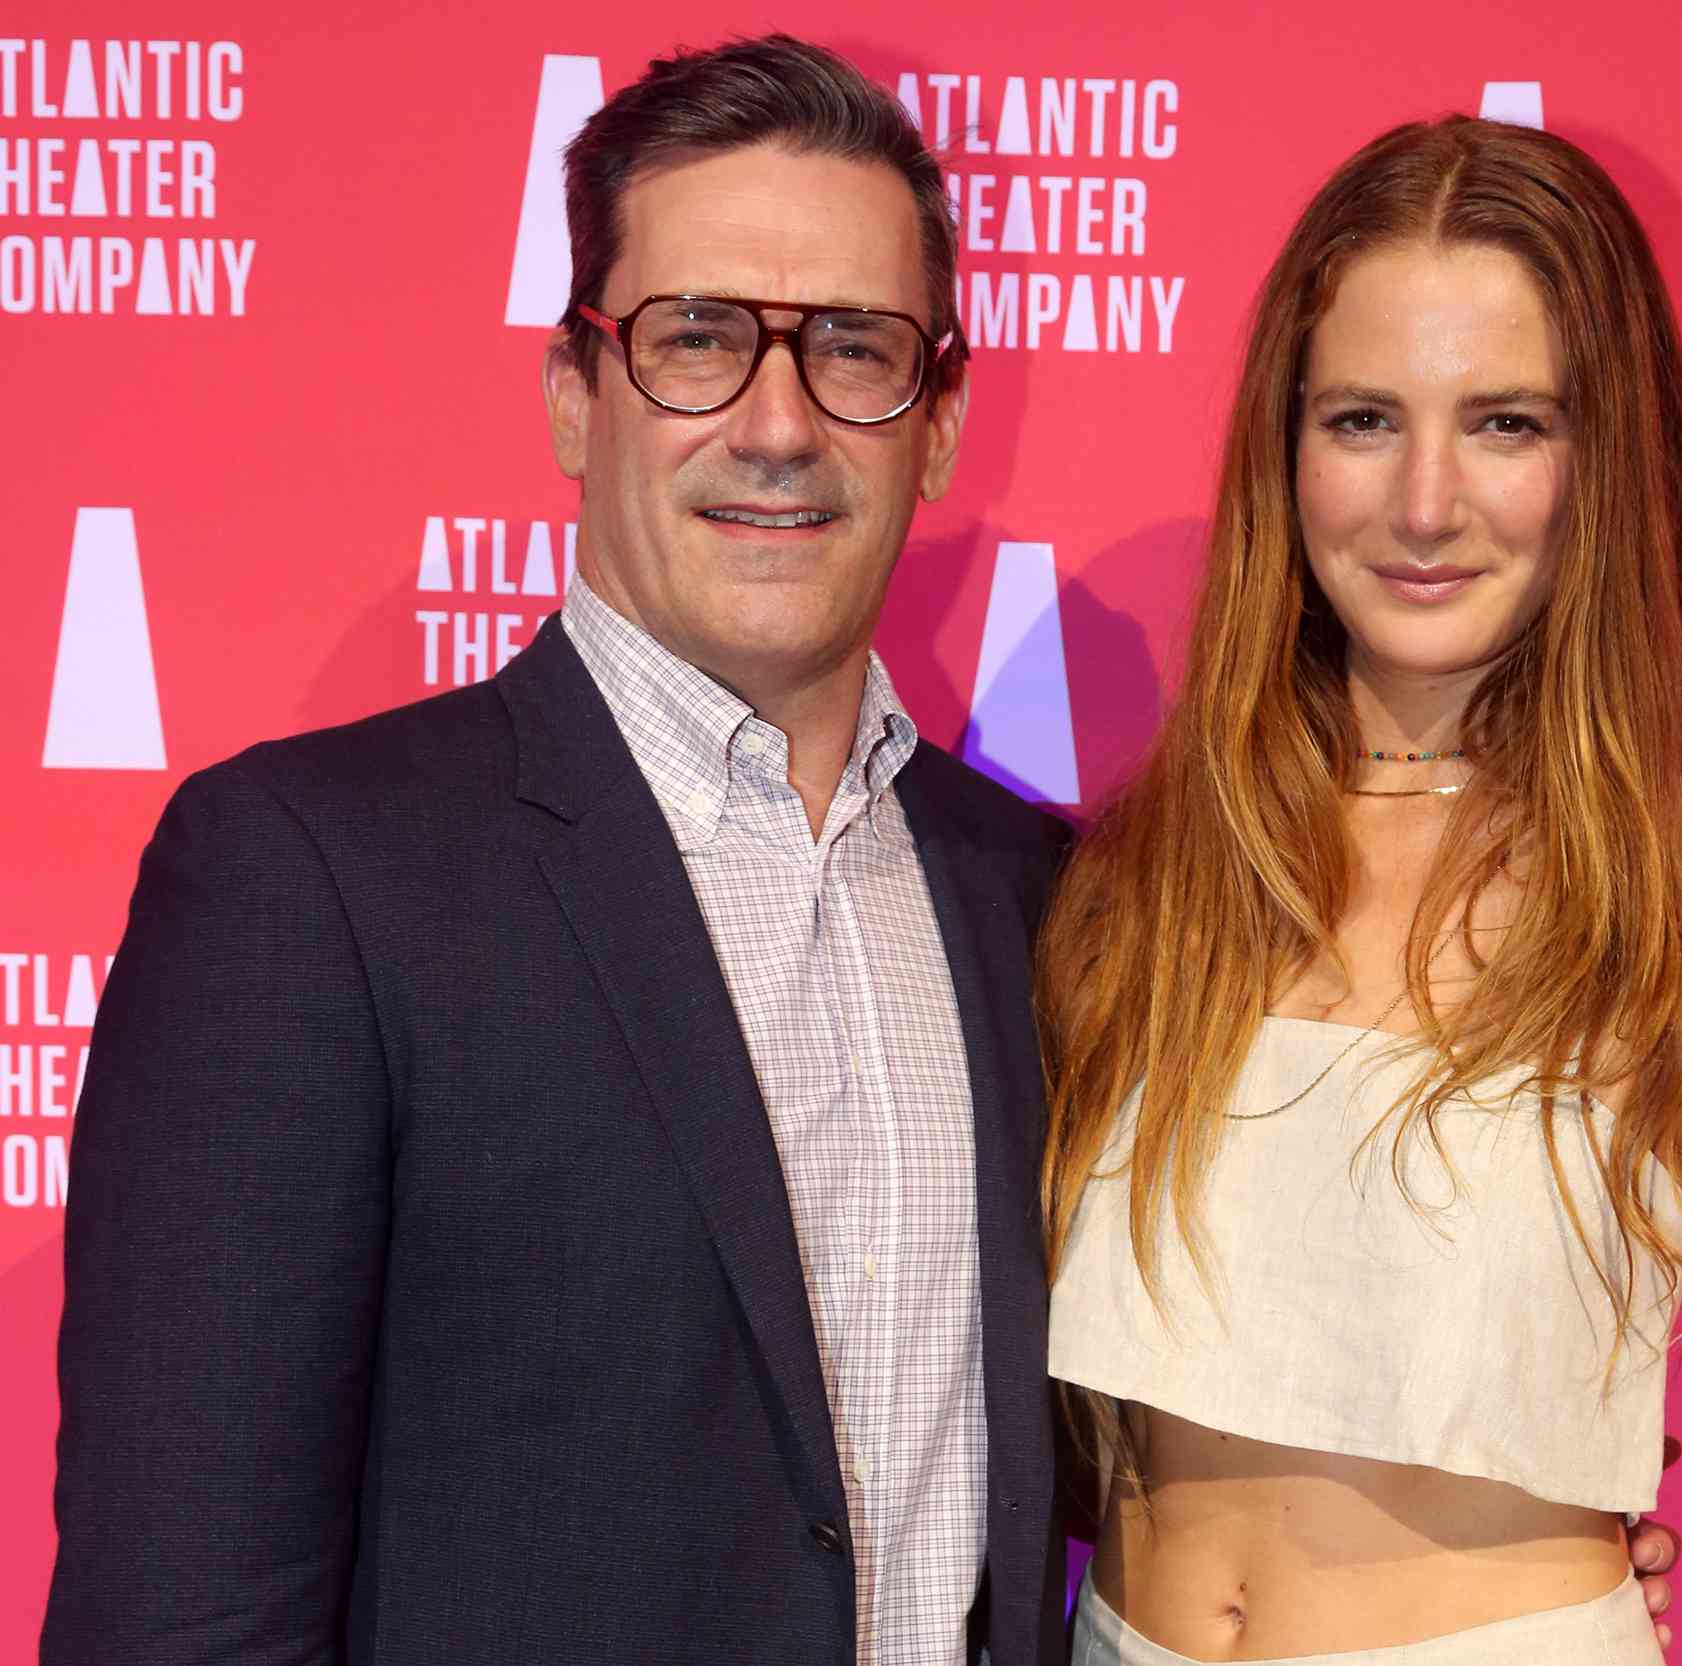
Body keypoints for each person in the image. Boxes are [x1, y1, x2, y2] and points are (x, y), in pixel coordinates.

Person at [42, 37, 1071, 1666]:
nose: (780, 424)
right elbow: (179, 1617)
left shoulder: (1034, 894)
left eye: (858, 352)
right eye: (699, 340)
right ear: (574, 395)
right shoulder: (311, 878)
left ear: (939, 424)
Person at [1041, 116, 1682, 1666]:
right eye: (1365, 419)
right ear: (1286, 445)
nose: (1428, 503)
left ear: (1607, 456)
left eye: (1507, 423)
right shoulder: (1147, 879)